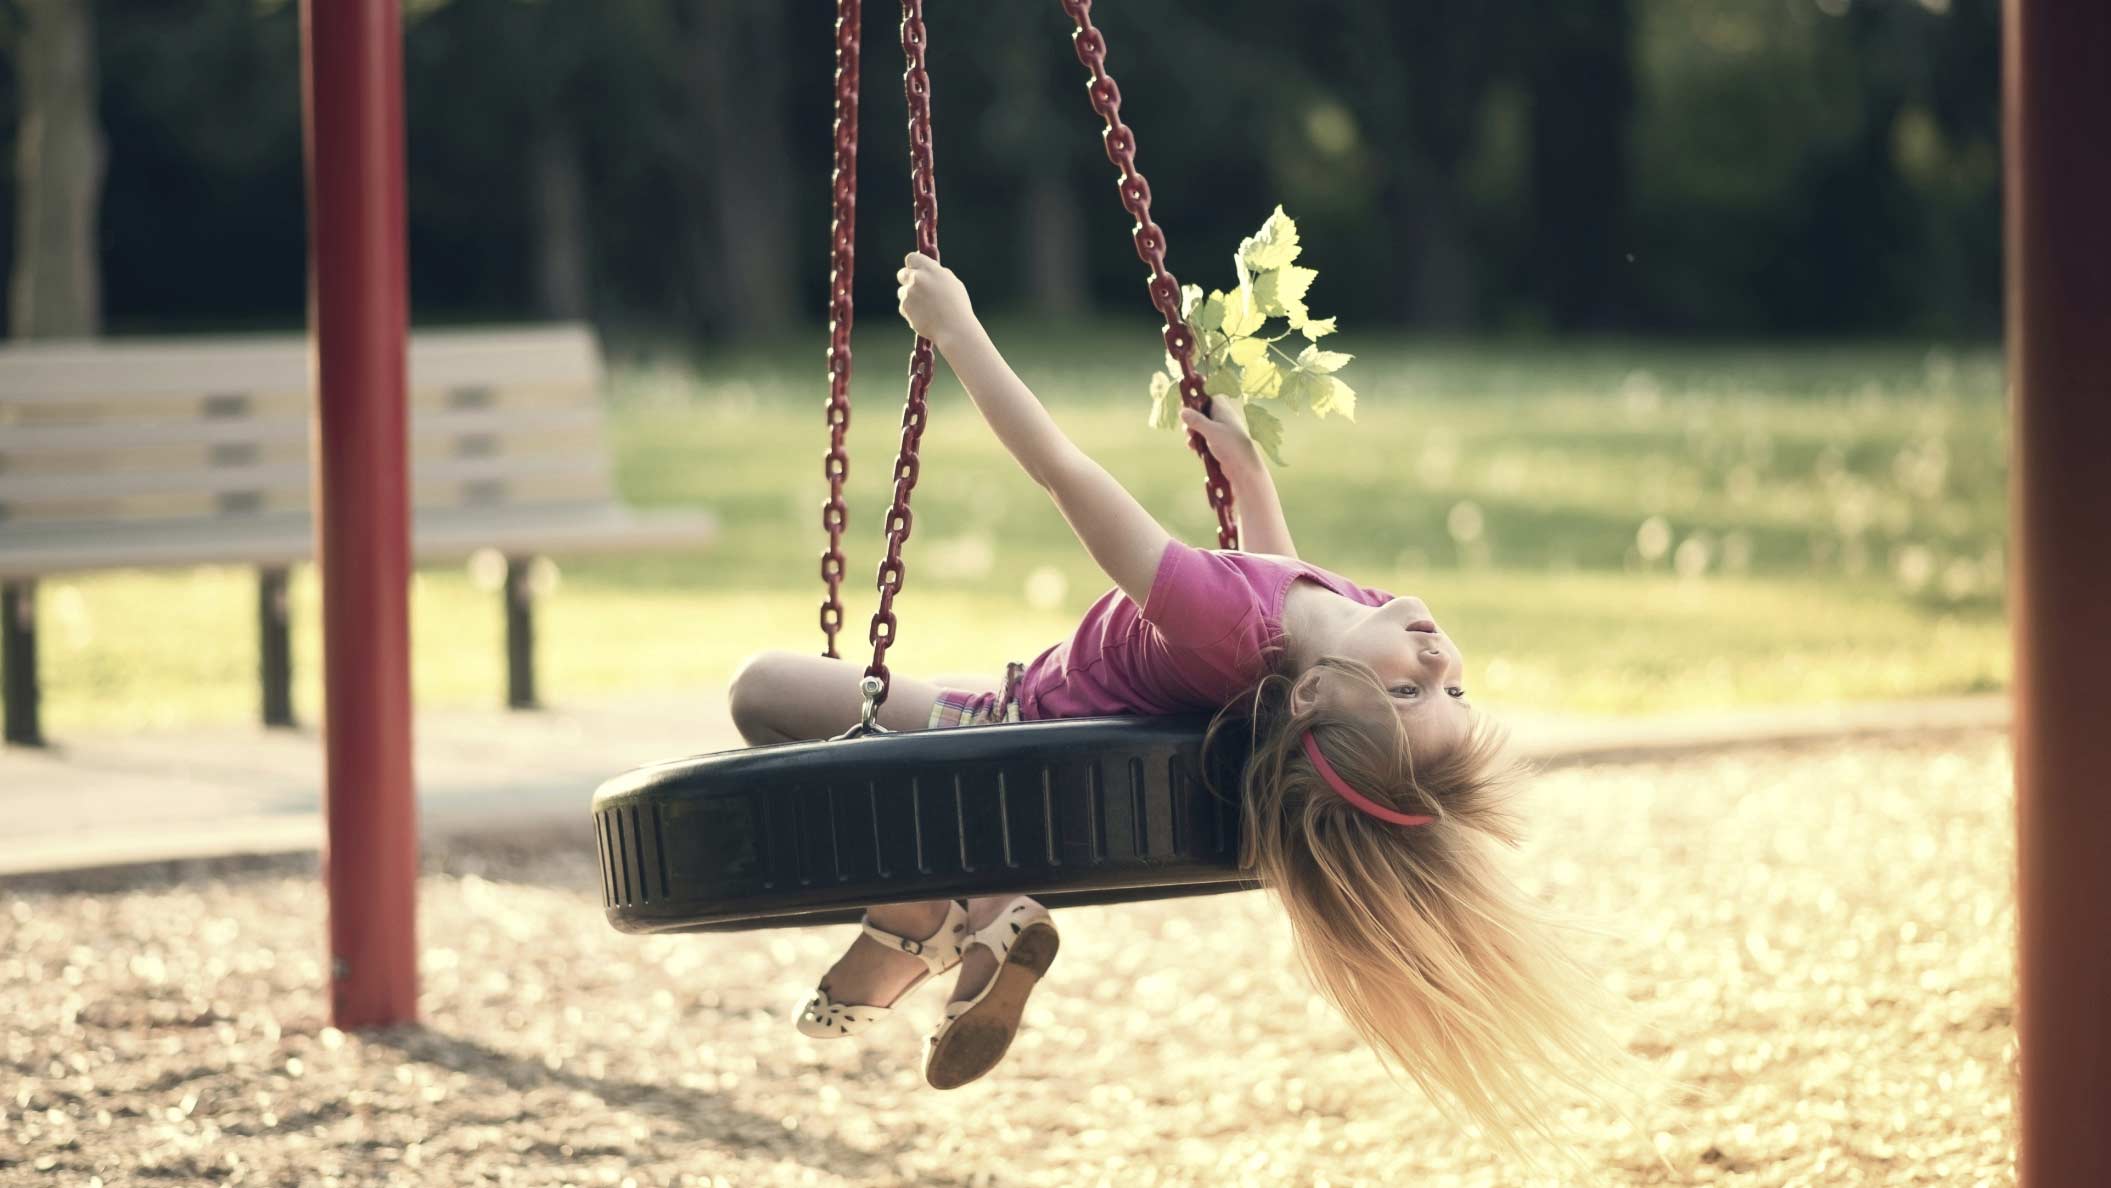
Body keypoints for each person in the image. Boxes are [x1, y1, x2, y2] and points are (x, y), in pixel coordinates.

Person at [729, 253, 1635, 1148]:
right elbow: (1279, 581)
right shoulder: (1337, 634)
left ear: (1318, 696)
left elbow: (1063, 473)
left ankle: (930, 913)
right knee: (819, 728)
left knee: (762, 693)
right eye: (1450, 687)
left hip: (1009, 737)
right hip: (1035, 737)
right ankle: (964, 915)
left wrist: (956, 328)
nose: (1437, 656)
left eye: (1411, 689)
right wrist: (1250, 481)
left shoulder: (1220, 621)